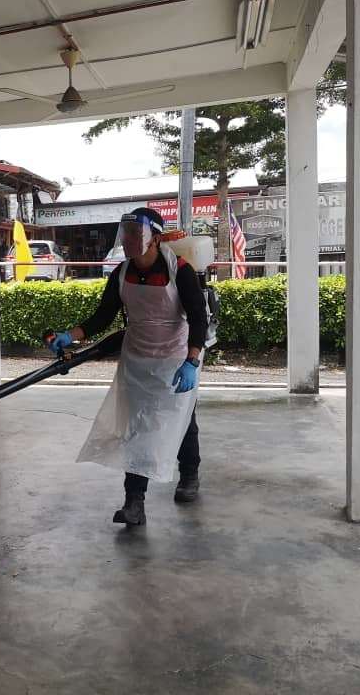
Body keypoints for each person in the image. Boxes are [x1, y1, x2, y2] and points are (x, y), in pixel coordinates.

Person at [46, 207, 208, 526]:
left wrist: (192, 361)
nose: (128, 240)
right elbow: (102, 317)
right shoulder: (122, 273)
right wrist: (70, 335)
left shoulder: (180, 271)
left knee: (182, 421)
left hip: (174, 360)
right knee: (137, 428)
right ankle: (134, 502)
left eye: (136, 233)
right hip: (136, 360)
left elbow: (198, 319)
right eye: (126, 233)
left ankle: (189, 474)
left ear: (154, 238)